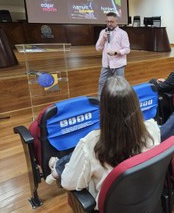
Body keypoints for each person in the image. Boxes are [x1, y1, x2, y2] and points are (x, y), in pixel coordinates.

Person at [45, 76, 160, 209]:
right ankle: (57, 167)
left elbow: (67, 183)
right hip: (145, 199)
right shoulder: (153, 129)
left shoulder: (90, 143)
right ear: (136, 104)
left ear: (103, 110)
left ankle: (56, 167)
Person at [96, 12, 130, 97]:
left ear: (116, 21)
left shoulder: (122, 33)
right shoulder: (103, 32)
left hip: (118, 64)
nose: (109, 23)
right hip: (106, 64)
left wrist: (116, 52)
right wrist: (103, 39)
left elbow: (127, 49)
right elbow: (98, 48)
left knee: (120, 85)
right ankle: (100, 101)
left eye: (111, 21)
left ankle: (120, 101)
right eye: (107, 21)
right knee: (102, 82)